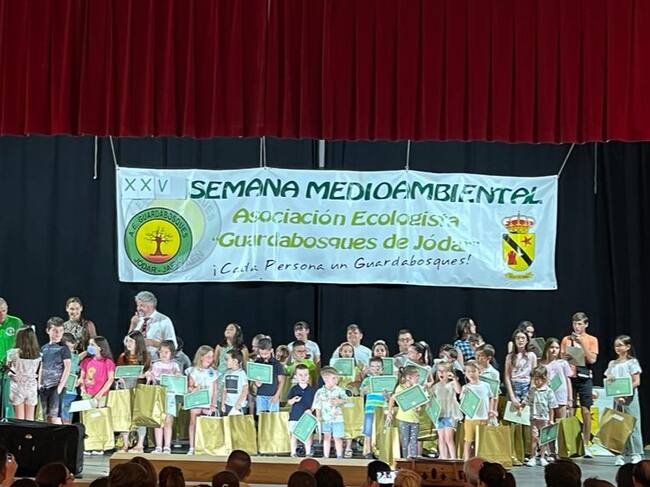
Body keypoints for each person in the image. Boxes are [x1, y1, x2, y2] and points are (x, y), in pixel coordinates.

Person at [560, 312, 599, 457]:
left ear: (586, 324)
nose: (576, 327)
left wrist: (581, 344)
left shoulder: (592, 339)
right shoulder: (566, 339)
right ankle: (570, 443)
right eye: (575, 324)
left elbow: (592, 359)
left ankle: (587, 443)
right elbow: (561, 357)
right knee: (570, 409)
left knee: (586, 410)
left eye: (580, 324)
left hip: (585, 377)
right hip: (570, 377)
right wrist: (566, 355)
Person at [605, 335, 644, 465]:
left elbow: (636, 381)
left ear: (628, 347)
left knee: (633, 424)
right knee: (618, 425)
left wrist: (625, 394)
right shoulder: (612, 363)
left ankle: (636, 453)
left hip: (630, 397)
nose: (617, 348)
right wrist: (615, 390)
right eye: (616, 345)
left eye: (620, 345)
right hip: (617, 398)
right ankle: (619, 454)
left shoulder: (632, 362)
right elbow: (609, 380)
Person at [116, 330, 151, 453]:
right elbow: (118, 372)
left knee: (140, 416)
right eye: (127, 341)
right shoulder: (123, 356)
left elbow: (149, 373)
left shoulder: (145, 356)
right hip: (125, 389)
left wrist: (146, 374)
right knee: (124, 415)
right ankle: (125, 444)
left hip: (139, 390)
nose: (129, 344)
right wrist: (119, 378)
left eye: (132, 341)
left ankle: (140, 444)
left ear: (138, 343)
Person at [79, 336, 115, 455]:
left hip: (101, 395)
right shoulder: (86, 361)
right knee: (87, 420)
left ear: (100, 347)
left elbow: (110, 379)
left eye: (92, 345)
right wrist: (82, 387)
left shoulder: (108, 362)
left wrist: (99, 394)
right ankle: (88, 444)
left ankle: (99, 445)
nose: (90, 347)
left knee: (98, 419)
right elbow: (82, 377)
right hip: (87, 394)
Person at [148, 339, 181, 454]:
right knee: (158, 421)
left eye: (166, 352)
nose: (163, 354)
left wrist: (178, 374)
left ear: (172, 353)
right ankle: (158, 446)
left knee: (168, 421)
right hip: (158, 395)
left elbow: (179, 376)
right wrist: (150, 375)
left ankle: (167, 446)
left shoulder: (174, 365)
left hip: (170, 396)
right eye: (161, 351)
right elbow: (151, 377)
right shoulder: (156, 364)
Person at [186, 345, 220, 455]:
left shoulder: (213, 372)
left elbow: (215, 390)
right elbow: (189, 387)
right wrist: (194, 389)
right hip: (196, 401)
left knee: (206, 424)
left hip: (208, 403)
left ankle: (205, 447)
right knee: (193, 423)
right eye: (208, 356)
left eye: (212, 356)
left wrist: (213, 404)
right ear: (201, 357)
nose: (211, 359)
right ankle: (192, 447)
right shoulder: (193, 371)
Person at [461, 360, 497, 460]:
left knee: (480, 441)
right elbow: (463, 403)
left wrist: (491, 410)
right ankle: (467, 461)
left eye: (473, 371)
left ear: (479, 372)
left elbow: (491, 397)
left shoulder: (486, 385)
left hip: (483, 418)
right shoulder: (466, 387)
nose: (471, 374)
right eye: (468, 371)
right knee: (468, 440)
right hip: (471, 418)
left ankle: (478, 460)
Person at [38, 317, 72, 424]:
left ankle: (60, 434)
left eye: (61, 330)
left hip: (56, 386)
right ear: (48, 331)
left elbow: (67, 368)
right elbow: (41, 366)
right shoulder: (44, 348)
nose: (58, 333)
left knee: (55, 416)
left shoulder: (63, 348)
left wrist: (60, 387)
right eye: (55, 330)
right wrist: (39, 383)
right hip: (44, 386)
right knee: (46, 416)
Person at [524, 365, 557, 467]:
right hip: (534, 417)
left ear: (544, 379)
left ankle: (542, 457)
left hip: (544, 418)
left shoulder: (548, 391)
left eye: (538, 379)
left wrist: (551, 419)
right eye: (534, 379)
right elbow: (527, 400)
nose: (536, 382)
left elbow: (552, 406)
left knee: (544, 438)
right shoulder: (532, 390)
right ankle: (533, 457)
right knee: (534, 437)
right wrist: (521, 406)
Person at [128, 291, 177, 359]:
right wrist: (132, 324)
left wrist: (153, 343)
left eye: (142, 306)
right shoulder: (137, 320)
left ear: (151, 306)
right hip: (136, 360)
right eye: (137, 305)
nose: (138, 308)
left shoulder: (164, 320)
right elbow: (127, 343)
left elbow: (173, 346)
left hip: (156, 361)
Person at [388, 365, 423, 459]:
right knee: (405, 441)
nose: (418, 378)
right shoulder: (400, 388)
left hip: (415, 419)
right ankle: (405, 460)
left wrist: (418, 408)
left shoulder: (417, 388)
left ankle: (413, 460)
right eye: (417, 376)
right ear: (408, 377)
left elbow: (419, 404)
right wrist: (389, 412)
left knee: (414, 441)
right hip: (404, 419)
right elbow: (392, 398)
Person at [6, 327, 41, 420]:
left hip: (17, 387)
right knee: (30, 419)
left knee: (19, 419)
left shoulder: (12, 353)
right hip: (31, 387)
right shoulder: (39, 355)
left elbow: (7, 368)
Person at [312, 366, 347, 459]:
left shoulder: (340, 390)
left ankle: (339, 456)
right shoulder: (320, 392)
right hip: (325, 418)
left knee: (337, 437)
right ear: (326, 379)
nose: (336, 380)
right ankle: (326, 456)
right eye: (334, 378)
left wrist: (339, 401)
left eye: (336, 378)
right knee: (326, 437)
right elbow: (317, 405)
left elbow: (346, 400)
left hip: (338, 418)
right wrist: (318, 416)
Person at [359, 357, 389, 458]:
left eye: (378, 367)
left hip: (382, 408)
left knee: (381, 429)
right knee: (368, 430)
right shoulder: (367, 380)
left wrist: (386, 395)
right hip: (370, 408)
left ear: (382, 369)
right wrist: (366, 388)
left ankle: (380, 450)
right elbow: (361, 393)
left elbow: (389, 397)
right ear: (369, 368)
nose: (375, 369)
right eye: (373, 367)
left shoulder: (385, 380)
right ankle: (368, 451)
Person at [432, 362, 462, 459]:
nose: (441, 373)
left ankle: (453, 458)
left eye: (444, 371)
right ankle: (444, 458)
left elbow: (459, 391)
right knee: (441, 438)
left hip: (450, 413)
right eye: (439, 371)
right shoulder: (435, 386)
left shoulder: (452, 384)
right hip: (439, 414)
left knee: (449, 438)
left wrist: (454, 379)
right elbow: (431, 399)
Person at [541, 338, 573, 421]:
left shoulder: (563, 363)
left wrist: (570, 399)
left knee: (561, 421)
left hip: (560, 395)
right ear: (547, 348)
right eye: (552, 347)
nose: (554, 350)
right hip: (546, 396)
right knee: (547, 421)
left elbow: (568, 380)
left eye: (557, 348)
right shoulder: (542, 364)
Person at [504, 327, 537, 409]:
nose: (520, 340)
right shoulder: (510, 356)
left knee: (526, 413)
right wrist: (512, 396)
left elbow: (534, 376)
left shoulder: (532, 355)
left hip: (527, 386)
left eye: (523, 338)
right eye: (518, 338)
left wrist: (529, 396)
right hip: (514, 385)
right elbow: (507, 376)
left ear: (527, 340)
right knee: (513, 413)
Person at [288, 364, 316, 457]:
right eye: (300, 375)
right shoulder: (294, 389)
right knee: (294, 435)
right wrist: (294, 400)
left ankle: (308, 453)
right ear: (295, 376)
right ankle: (293, 452)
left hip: (307, 417)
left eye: (305, 375)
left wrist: (311, 410)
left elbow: (315, 403)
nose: (303, 377)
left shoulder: (312, 390)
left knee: (307, 435)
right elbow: (289, 402)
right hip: (295, 416)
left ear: (309, 376)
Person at [253, 337, 285, 413]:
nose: (264, 356)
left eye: (266, 354)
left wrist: (277, 395)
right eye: (261, 354)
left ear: (271, 350)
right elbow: (254, 379)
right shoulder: (257, 363)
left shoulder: (277, 364)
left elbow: (281, 381)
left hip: (273, 395)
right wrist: (256, 382)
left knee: (273, 418)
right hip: (261, 395)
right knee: (261, 417)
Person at [59, 333, 79, 425]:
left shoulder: (75, 358)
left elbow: (77, 372)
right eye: (68, 348)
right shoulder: (57, 357)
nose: (70, 351)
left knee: (66, 414)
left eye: (72, 348)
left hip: (71, 392)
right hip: (61, 391)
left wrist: (78, 381)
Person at [221, 349, 248, 415]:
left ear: (235, 361)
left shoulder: (242, 373)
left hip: (239, 405)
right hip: (228, 404)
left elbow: (245, 389)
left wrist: (239, 402)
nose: (225, 362)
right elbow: (224, 390)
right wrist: (222, 403)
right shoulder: (226, 373)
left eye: (227, 360)